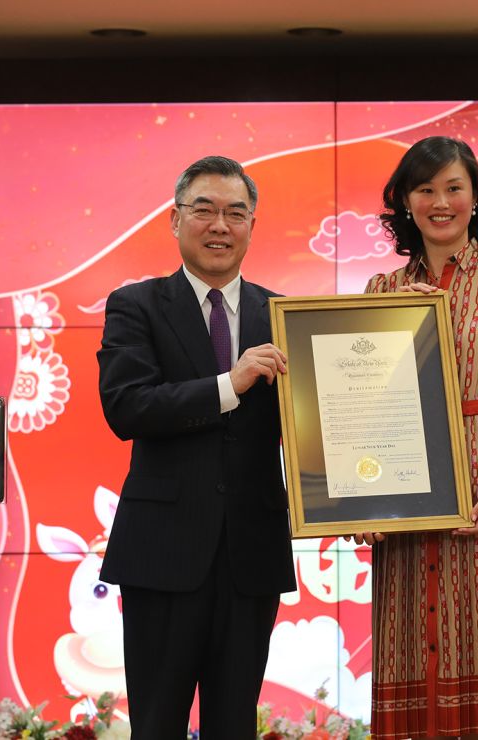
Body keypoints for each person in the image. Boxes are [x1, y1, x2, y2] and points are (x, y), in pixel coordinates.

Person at [96, 155, 296, 739]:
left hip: (251, 554)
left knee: (234, 725)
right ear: (175, 219)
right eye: (204, 209)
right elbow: (127, 407)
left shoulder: (282, 313)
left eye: (236, 213)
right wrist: (228, 386)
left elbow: (317, 421)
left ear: (252, 225)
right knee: (156, 724)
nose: (220, 225)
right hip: (162, 554)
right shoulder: (135, 305)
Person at [357, 136, 478, 739]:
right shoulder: (382, 292)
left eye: (453, 188)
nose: (440, 202)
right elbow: (363, 409)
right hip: (407, 498)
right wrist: (361, 497)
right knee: (412, 646)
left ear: (475, 198)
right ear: (405, 203)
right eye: (425, 190)